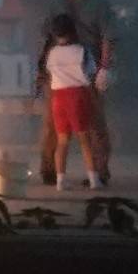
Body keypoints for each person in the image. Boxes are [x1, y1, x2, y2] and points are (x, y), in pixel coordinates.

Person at [38, 0, 116, 186]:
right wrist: (42, 68)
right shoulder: (57, 2)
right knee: (51, 123)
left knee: (94, 123)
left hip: (87, 70)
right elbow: (46, 35)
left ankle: (99, 171)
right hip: (59, 70)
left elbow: (108, 37)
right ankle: (49, 170)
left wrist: (104, 68)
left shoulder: (99, 4)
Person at [43, 14, 100, 192]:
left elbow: (49, 72)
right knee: (84, 139)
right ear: (73, 31)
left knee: (62, 141)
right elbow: (91, 72)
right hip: (77, 95)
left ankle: (60, 181)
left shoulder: (52, 53)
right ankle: (94, 179)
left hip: (58, 98)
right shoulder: (82, 51)